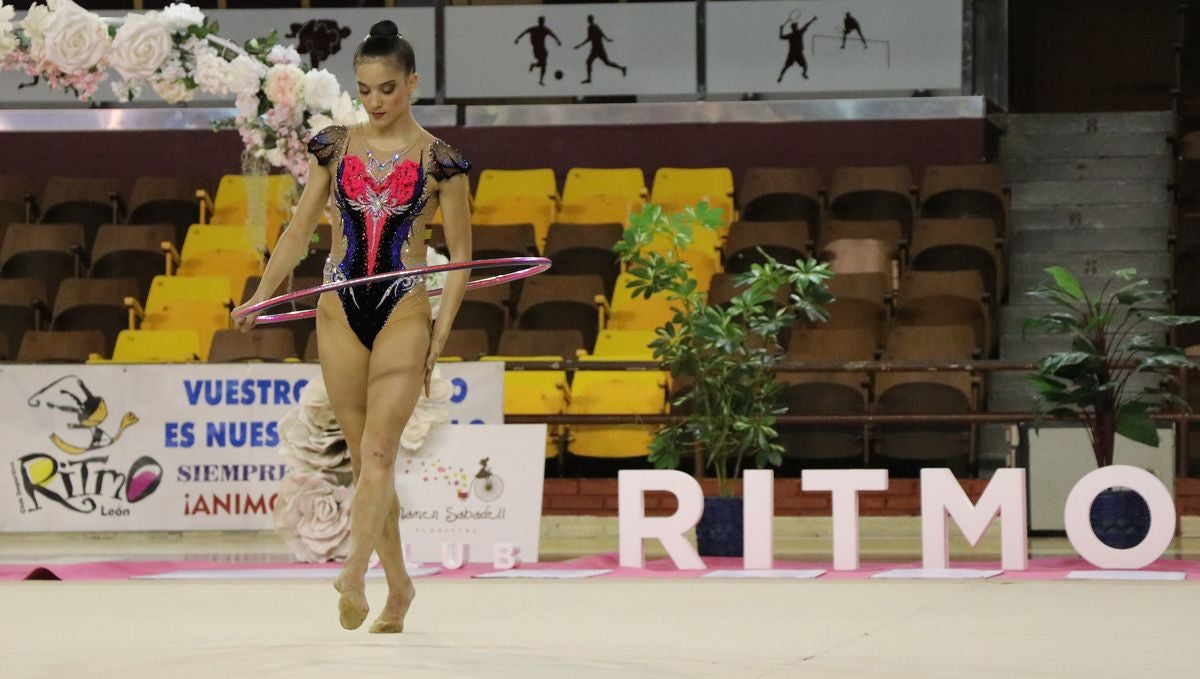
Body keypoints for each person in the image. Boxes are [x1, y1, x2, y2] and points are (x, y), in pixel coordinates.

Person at [232, 19, 472, 634]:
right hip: (339, 309)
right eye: (364, 89)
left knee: (380, 452)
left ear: (413, 83)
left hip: (404, 308)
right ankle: (400, 589)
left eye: (387, 89)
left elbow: (466, 263)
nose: (375, 102)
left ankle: (354, 572)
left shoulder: (442, 162)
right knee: (368, 466)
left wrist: (438, 340)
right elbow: (298, 228)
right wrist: (260, 296)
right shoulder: (334, 145)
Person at [574, 14, 626, 84]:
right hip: (595, 49)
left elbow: (596, 35)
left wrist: (579, 45)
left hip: (598, 49)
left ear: (591, 19)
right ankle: (589, 79)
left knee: (606, 63)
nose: (588, 20)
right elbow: (595, 36)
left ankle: (622, 68)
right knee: (590, 62)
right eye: (588, 19)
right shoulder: (591, 27)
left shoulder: (593, 27)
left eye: (589, 19)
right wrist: (607, 39)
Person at [515, 17, 562, 87]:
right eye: (541, 21)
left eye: (542, 21)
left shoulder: (544, 29)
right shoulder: (534, 29)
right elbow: (524, 32)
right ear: (539, 21)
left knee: (543, 64)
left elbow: (552, 34)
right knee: (543, 64)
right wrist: (517, 39)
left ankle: (535, 69)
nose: (542, 22)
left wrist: (558, 41)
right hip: (537, 49)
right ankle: (540, 79)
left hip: (542, 49)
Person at [777, 15, 818, 82]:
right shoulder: (798, 33)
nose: (797, 27)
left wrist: (781, 29)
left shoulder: (793, 34)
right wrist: (812, 20)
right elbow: (806, 25)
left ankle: (803, 74)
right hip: (795, 53)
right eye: (796, 26)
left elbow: (781, 37)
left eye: (797, 26)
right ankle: (781, 76)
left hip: (794, 53)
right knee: (802, 66)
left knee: (803, 66)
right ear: (794, 28)